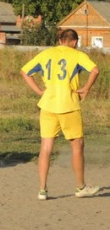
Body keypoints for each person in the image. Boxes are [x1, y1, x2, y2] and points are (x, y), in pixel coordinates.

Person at [20, 28, 100, 200]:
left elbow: (25, 72)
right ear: (74, 41)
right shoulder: (76, 54)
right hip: (69, 105)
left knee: (46, 147)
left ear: (60, 40)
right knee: (77, 146)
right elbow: (95, 70)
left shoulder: (46, 53)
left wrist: (40, 91)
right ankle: (80, 187)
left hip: (48, 105)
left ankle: (42, 190)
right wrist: (86, 88)